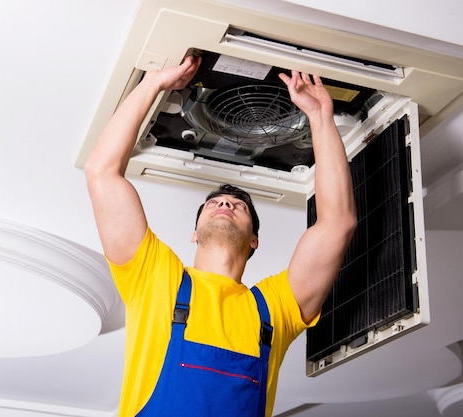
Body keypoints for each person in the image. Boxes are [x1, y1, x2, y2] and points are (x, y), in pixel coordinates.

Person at [84, 55, 357, 417]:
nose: (226, 203)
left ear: (254, 241)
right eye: (215, 203)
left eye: (238, 205)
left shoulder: (276, 308)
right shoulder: (155, 276)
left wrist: (320, 116)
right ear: (194, 234)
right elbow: (102, 171)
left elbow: (338, 223)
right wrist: (152, 83)